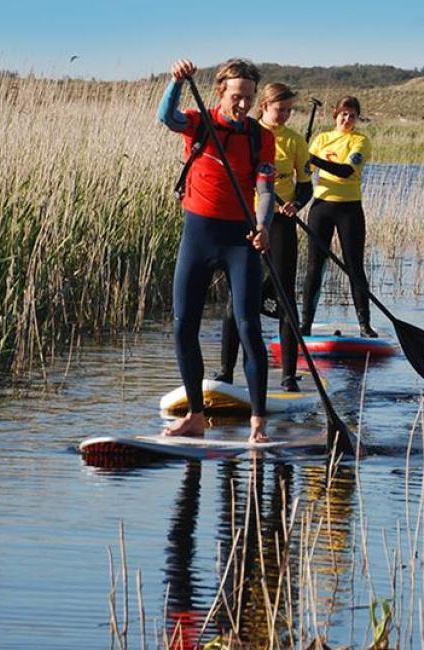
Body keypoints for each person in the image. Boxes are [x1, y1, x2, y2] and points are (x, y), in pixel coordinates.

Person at [156, 57, 277, 442]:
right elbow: (166, 117)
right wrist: (175, 81)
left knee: (248, 326)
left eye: (248, 98)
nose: (242, 105)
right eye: (237, 97)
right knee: (183, 326)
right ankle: (195, 415)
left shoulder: (260, 137)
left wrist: (263, 226)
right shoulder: (198, 122)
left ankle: (258, 423)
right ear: (220, 92)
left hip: (240, 240)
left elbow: (265, 190)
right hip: (198, 235)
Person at [214, 82, 311, 393]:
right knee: (236, 301)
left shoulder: (295, 141)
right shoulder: (249, 133)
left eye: (288, 110)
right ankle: (225, 373)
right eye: (278, 109)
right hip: (245, 221)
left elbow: (305, 185)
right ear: (264, 106)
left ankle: (287, 376)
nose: (283, 115)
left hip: (280, 224)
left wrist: (296, 203)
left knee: (285, 299)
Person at [299, 96, 375, 338]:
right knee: (314, 267)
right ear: (335, 115)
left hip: (349, 209)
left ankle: (365, 325)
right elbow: (304, 172)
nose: (347, 119)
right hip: (321, 207)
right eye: (344, 114)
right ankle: (305, 323)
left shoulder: (361, 141)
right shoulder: (321, 139)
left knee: (355, 267)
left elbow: (344, 171)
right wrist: (300, 159)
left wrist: (314, 159)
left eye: (352, 115)